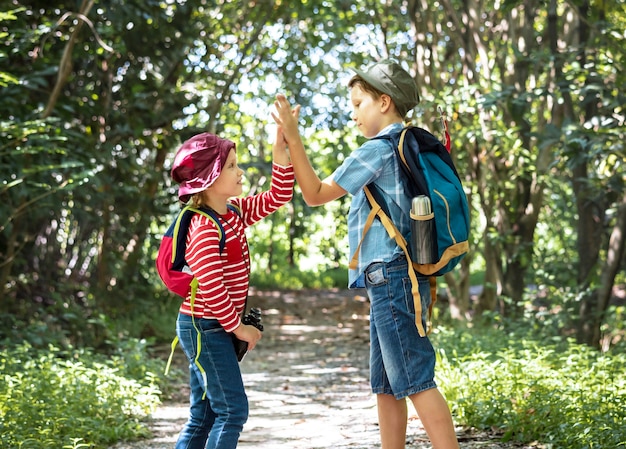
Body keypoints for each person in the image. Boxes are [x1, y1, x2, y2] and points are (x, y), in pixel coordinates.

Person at [272, 59, 459, 449]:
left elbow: (314, 194)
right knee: (389, 384)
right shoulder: (406, 143)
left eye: (359, 103)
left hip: (391, 274)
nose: (353, 112)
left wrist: (294, 136)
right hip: (393, 275)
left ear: (384, 102)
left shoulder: (378, 149)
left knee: (416, 378)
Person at [169, 127, 294, 449]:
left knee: (206, 414)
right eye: (231, 167)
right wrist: (238, 328)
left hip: (212, 327)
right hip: (204, 328)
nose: (240, 172)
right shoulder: (204, 227)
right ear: (209, 177)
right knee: (232, 412)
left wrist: (280, 150)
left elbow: (278, 195)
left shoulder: (234, 213)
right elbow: (210, 285)